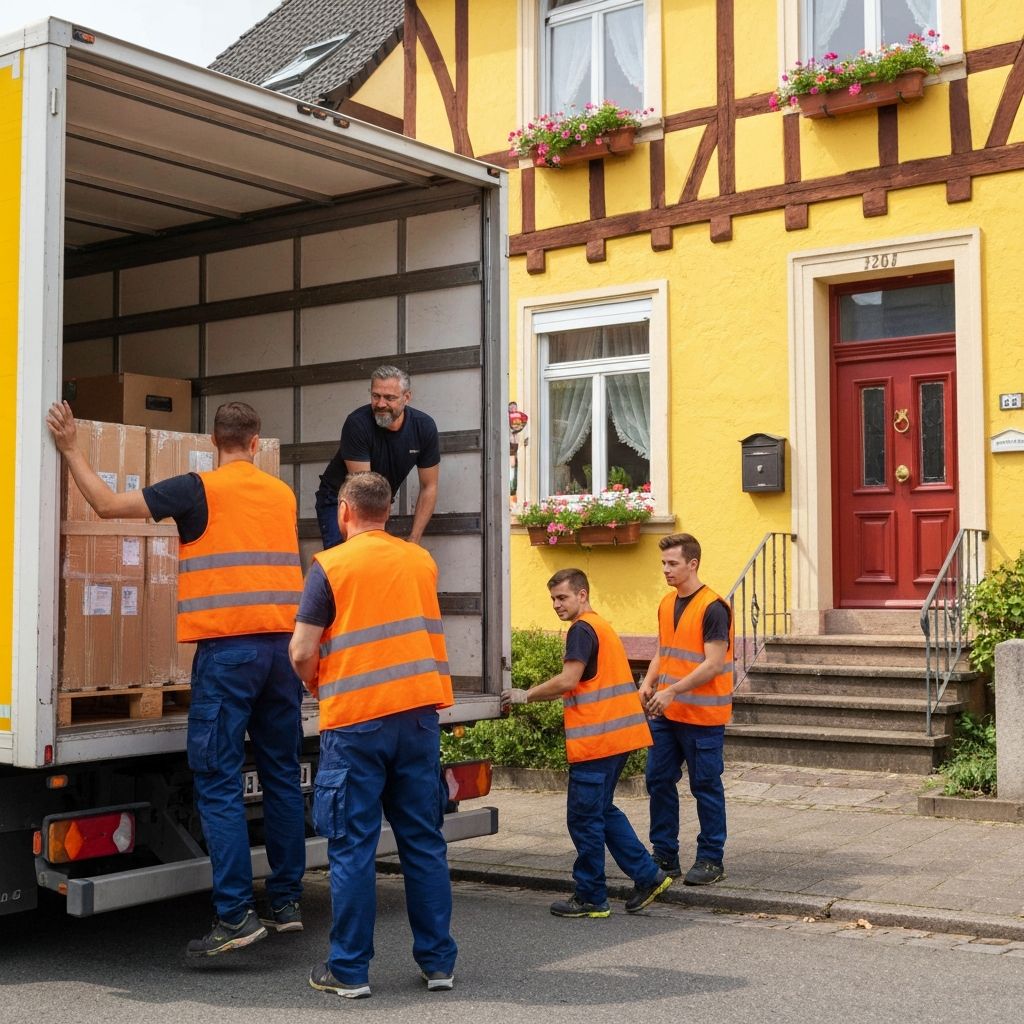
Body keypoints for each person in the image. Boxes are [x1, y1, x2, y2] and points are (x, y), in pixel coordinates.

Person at [46, 400, 307, 957]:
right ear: (255, 443)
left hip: (229, 653)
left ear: (213, 442)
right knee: (282, 775)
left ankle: (235, 914)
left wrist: (70, 448)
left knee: (217, 779)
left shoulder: (196, 489)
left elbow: (107, 504)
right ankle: (286, 903)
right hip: (282, 652)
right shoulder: (281, 494)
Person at [289, 471, 456, 999]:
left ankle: (349, 970)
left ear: (344, 510)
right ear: (388, 511)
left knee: (353, 848)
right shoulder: (420, 561)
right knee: (424, 843)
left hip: (356, 723)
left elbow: (301, 650)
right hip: (418, 718)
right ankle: (438, 965)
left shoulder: (331, 566)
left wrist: (316, 682)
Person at [502, 569, 672, 918]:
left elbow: (569, 680)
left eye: (562, 597)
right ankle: (648, 876)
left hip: (597, 742)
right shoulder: (601, 626)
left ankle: (591, 895)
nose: (556, 604)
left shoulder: (581, 630)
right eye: (553, 599)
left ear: (582, 595)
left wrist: (524, 695)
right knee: (602, 812)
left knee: (583, 819)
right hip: (618, 737)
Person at [639, 533, 733, 887]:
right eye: (663, 563)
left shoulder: (713, 607)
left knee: (705, 786)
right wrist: (649, 681)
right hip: (666, 713)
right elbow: (664, 650)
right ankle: (665, 854)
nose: (666, 569)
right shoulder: (667, 603)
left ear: (692, 564)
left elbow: (713, 664)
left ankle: (711, 859)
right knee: (658, 780)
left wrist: (672, 690)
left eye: (672, 563)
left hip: (701, 717)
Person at [314, 365, 440, 548]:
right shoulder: (357, 423)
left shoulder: (424, 427)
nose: (381, 404)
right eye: (376, 396)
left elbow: (429, 486)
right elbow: (363, 490)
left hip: (378, 499)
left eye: (389, 398)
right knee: (347, 556)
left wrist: (414, 540)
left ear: (406, 398)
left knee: (374, 555)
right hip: (341, 498)